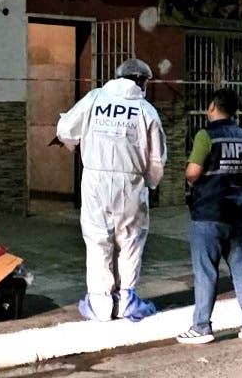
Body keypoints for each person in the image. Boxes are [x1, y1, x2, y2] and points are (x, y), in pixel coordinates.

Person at [55, 58, 167, 322]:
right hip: (131, 183)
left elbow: (65, 129)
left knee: (97, 239)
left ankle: (100, 303)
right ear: (141, 81)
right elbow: (157, 158)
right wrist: (149, 183)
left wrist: (76, 145)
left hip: (95, 180)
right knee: (130, 240)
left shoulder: (95, 99)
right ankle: (127, 299)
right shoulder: (146, 110)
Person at [176, 88, 242, 344]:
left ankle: (201, 327)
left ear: (212, 106)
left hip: (209, 214)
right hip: (239, 213)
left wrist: (192, 178)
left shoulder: (206, 135)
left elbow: (193, 172)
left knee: (206, 271)